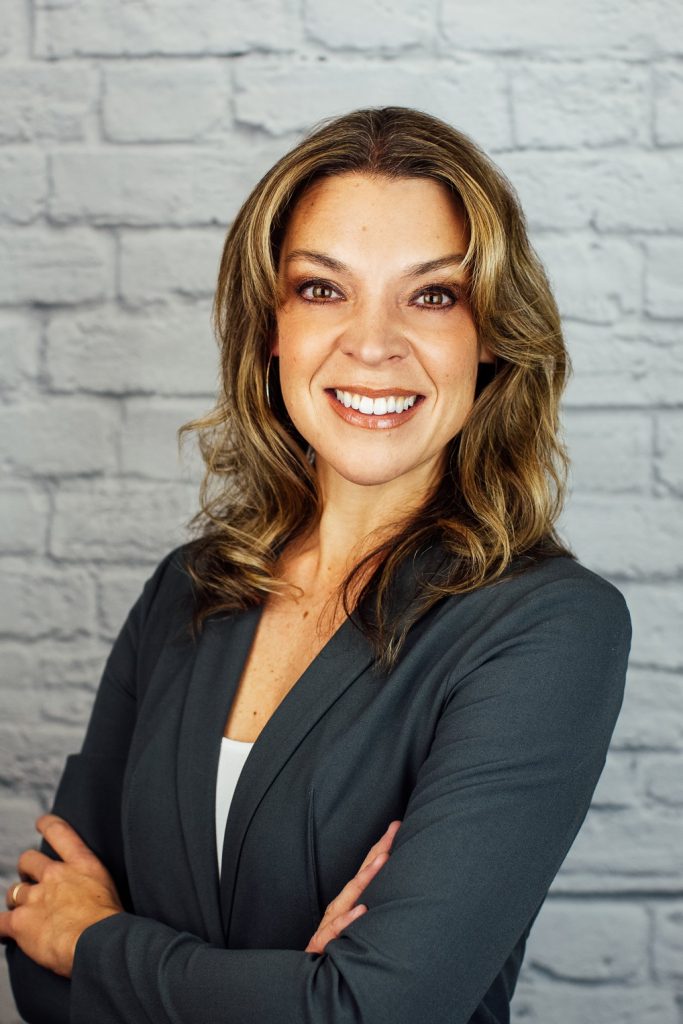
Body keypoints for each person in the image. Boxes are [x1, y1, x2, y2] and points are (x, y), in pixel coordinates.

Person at [1, 106, 631, 1024]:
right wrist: (277, 988)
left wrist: (99, 941)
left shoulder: (547, 628)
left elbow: (376, 1010)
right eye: (322, 290)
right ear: (269, 328)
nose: (371, 344)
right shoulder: (186, 590)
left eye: (432, 295)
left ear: (490, 332)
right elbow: (33, 958)